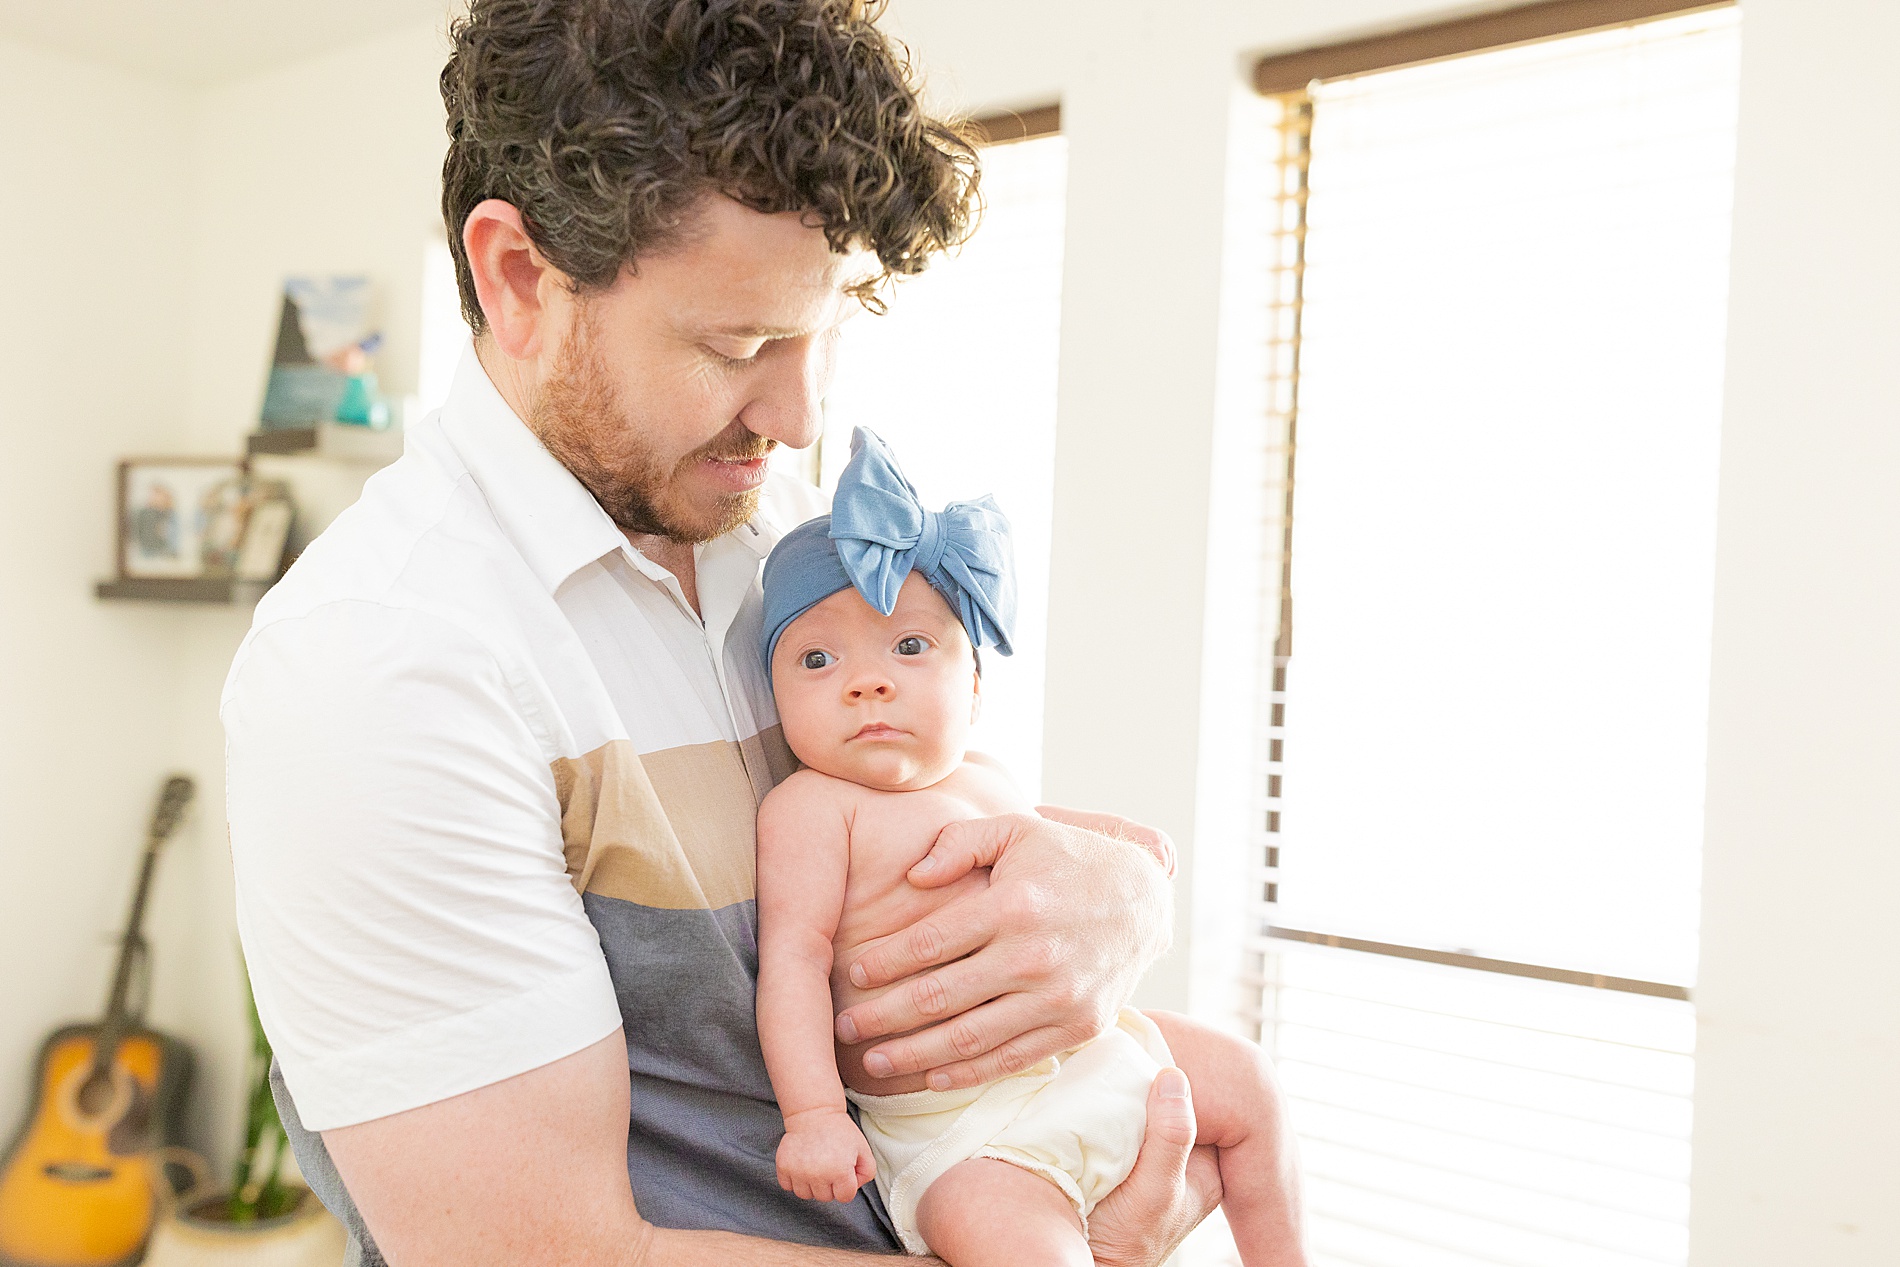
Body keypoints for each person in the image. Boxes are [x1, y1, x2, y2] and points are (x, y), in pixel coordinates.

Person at [222, 2, 1252, 1264]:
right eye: (739, 343)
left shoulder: (776, 547)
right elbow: (546, 1258)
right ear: (517, 277)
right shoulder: (380, 666)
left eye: (822, 331)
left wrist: (1122, 891)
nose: (800, 415)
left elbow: (943, 813)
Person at [756, 431, 1308, 1266]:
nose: (866, 681)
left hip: (1095, 1050)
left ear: (975, 686)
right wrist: (814, 1116)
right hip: (965, 1135)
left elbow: (1046, 835)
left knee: (1251, 1082)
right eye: (817, 658)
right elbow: (793, 960)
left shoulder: (986, 773)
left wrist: (1125, 846)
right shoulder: (813, 808)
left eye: (909, 645)